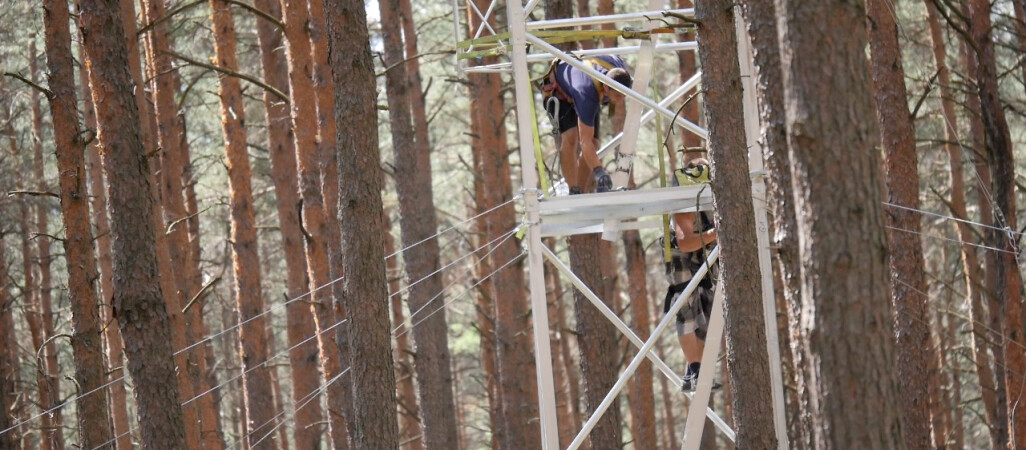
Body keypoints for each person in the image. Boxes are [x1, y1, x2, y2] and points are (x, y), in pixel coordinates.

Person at [663, 157, 719, 391]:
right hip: (681, 256)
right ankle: (695, 369)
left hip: (705, 251)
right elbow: (685, 242)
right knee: (686, 307)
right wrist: (716, 233)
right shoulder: (684, 199)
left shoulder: (713, 195)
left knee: (708, 309)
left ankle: (692, 371)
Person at [541, 55, 633, 194]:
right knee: (571, 138)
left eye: (623, 96)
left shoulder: (618, 69)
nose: (620, 101)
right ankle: (573, 189)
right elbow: (585, 142)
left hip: (585, 83)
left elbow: (613, 56)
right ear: (606, 87)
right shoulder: (586, 95)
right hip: (560, 93)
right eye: (617, 96)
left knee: (594, 143)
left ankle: (581, 191)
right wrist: (599, 171)